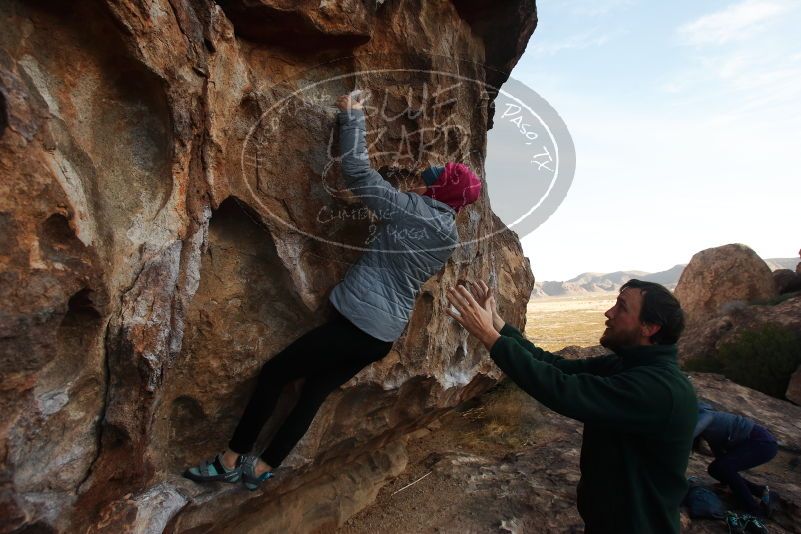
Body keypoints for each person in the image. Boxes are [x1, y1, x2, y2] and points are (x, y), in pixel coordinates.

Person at [184, 93, 482, 490]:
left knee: (274, 375)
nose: (431, 176)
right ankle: (261, 469)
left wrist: (353, 116)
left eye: (442, 177)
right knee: (314, 391)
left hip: (357, 326)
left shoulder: (412, 210)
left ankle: (230, 459)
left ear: (444, 191)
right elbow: (426, 199)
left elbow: (358, 173)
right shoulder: (448, 236)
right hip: (381, 337)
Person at [446, 279, 697, 533]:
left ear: (650, 327)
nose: (609, 312)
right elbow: (555, 366)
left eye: (622, 307)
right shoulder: (627, 366)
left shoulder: (659, 389)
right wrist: (497, 323)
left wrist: (489, 337)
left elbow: (563, 390)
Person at [693, 402, 778, 517]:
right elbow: (719, 455)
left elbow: (688, 436)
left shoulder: (706, 416)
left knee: (725, 467)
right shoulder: (711, 429)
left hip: (763, 443)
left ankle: (753, 509)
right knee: (715, 468)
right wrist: (725, 480)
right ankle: (762, 492)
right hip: (761, 444)